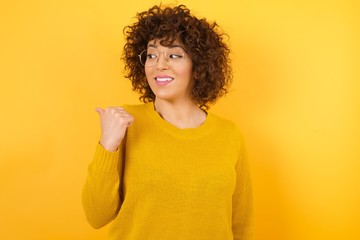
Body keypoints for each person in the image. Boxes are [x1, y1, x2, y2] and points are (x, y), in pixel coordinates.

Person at [82, 4, 253, 240]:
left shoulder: (229, 134)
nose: (159, 64)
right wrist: (108, 144)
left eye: (174, 55)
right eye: (152, 55)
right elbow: (96, 215)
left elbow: (241, 225)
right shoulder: (124, 123)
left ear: (198, 65)